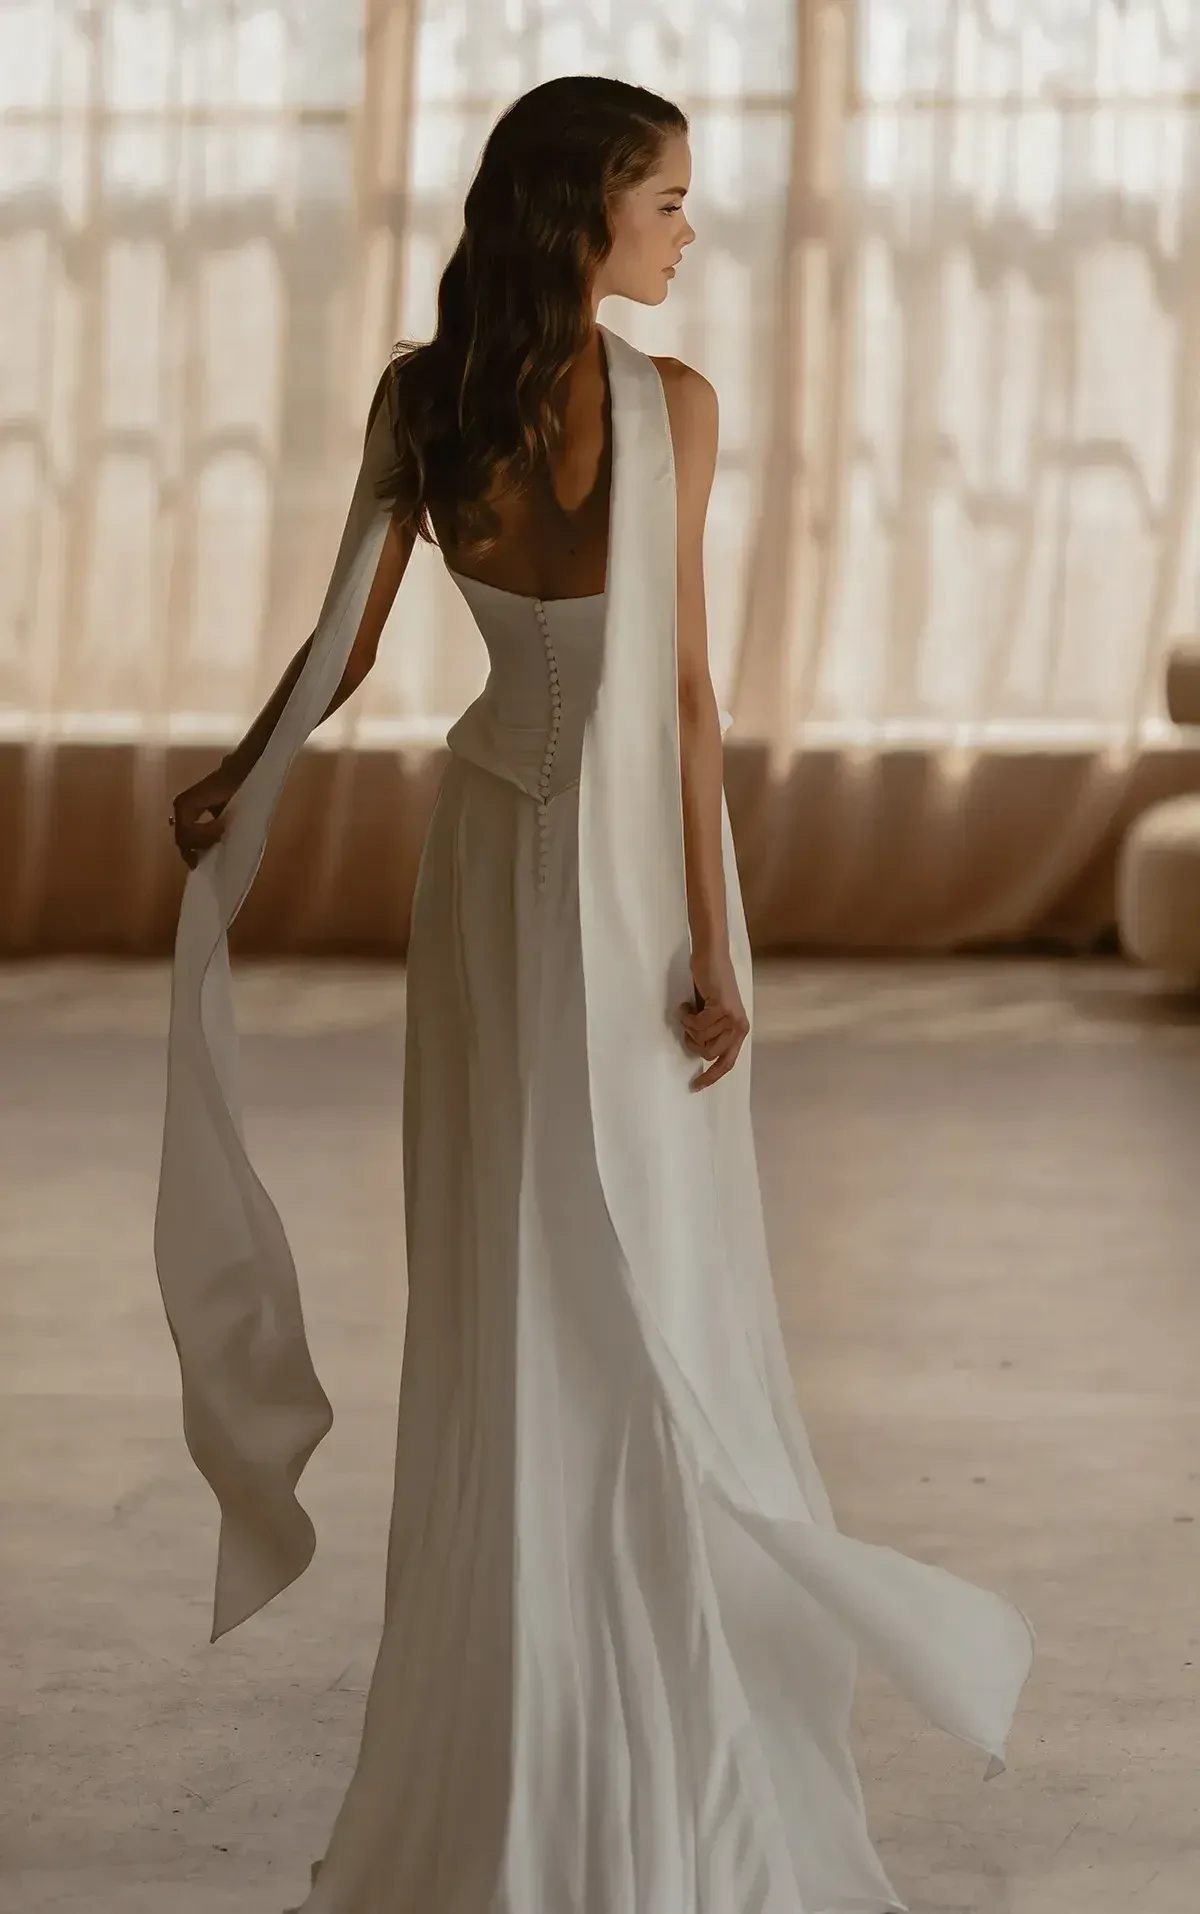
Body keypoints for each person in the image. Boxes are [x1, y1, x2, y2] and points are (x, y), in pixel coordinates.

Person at [157, 76, 1034, 1914]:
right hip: (618, 863)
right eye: (667, 201)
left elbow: (340, 654)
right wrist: (717, 946)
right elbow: (688, 699)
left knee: (513, 1266)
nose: (688, 232)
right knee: (628, 1275)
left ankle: (532, 1697)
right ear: (586, 216)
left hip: (489, 849)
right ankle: (609, 1692)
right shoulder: (667, 405)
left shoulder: (429, 397)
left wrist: (240, 774)